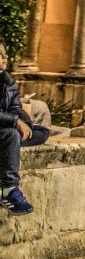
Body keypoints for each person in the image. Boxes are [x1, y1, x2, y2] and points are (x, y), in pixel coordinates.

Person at [0, 43, 50, 215]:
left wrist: (25, 123)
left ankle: (9, 146)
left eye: (5, 54)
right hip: (5, 128)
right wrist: (15, 122)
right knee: (11, 134)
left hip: (4, 127)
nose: (5, 58)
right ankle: (9, 189)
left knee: (42, 133)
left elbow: (15, 108)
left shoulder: (7, 81)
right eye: (1, 54)